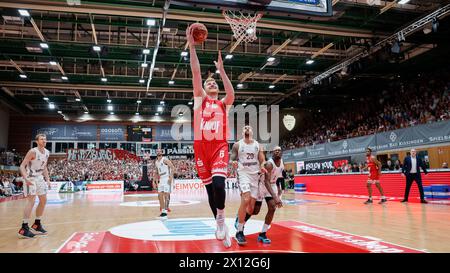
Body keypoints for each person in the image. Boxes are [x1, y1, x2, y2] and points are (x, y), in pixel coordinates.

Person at [187, 24, 235, 248]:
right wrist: (191, 46)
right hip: (200, 148)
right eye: (208, 83)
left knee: (218, 185)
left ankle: (221, 219)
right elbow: (196, 72)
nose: (211, 83)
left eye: (213, 81)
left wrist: (222, 70)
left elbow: (232, 94)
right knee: (209, 191)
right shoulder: (201, 100)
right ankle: (220, 225)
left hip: (219, 147)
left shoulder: (223, 103)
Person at [237, 146, 283, 244]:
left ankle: (262, 234)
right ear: (272, 153)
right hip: (262, 186)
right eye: (276, 151)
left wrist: (278, 191)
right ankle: (240, 222)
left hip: (272, 185)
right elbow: (266, 181)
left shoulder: (282, 163)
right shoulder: (269, 164)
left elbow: (277, 178)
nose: (278, 152)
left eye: (279, 150)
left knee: (272, 207)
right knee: (254, 211)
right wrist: (275, 197)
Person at [230, 125, 266, 245]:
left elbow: (262, 160)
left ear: (252, 132)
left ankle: (239, 218)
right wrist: (233, 162)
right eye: (244, 128)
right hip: (243, 174)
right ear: (241, 132)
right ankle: (239, 231)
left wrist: (262, 167)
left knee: (250, 209)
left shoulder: (257, 145)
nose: (246, 129)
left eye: (249, 128)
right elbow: (232, 159)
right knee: (246, 198)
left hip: (255, 176)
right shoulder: (237, 145)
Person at [18, 134, 51, 238]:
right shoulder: (33, 151)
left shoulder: (47, 152)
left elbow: (44, 167)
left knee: (43, 200)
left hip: (40, 178)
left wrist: (48, 179)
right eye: (42, 139)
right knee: (31, 201)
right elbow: (22, 166)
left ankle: (37, 224)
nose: (44, 141)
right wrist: (26, 178)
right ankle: (24, 227)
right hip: (30, 178)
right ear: (37, 141)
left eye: (45, 139)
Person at [155, 149, 175, 219]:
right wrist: (155, 181)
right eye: (157, 151)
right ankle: (163, 210)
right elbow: (157, 172)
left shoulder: (165, 159)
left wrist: (171, 177)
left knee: (166, 195)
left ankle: (165, 212)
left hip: (167, 178)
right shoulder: (156, 162)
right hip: (161, 179)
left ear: (162, 152)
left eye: (160, 151)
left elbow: (172, 167)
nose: (158, 152)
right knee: (159, 195)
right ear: (156, 153)